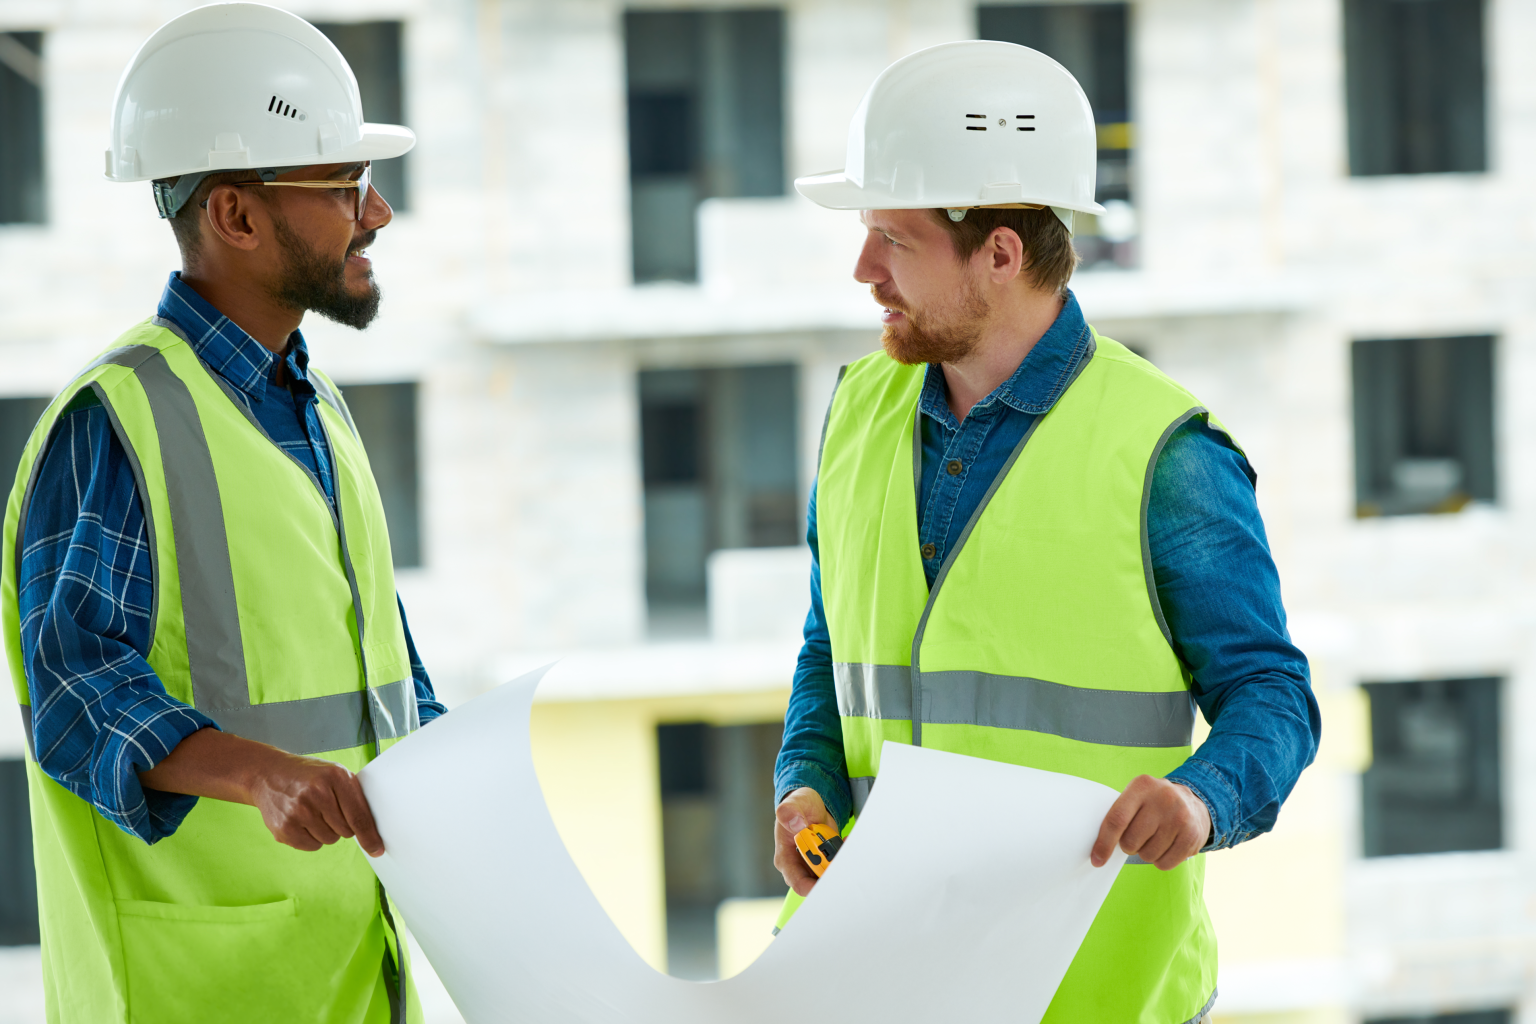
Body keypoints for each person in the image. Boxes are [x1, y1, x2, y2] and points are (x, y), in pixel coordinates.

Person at [770, 41, 1320, 1023]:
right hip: (876, 984)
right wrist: (803, 782)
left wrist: (1199, 801)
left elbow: (1272, 694)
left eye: (892, 240)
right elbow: (829, 645)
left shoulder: (1167, 455)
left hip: (1095, 997)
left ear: (1000, 253)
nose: (863, 270)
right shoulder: (857, 409)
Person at [0, 5, 438, 1021]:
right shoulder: (114, 422)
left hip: (348, 975)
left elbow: (378, 681)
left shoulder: (317, 408)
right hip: (195, 992)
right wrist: (261, 776)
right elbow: (73, 685)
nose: (375, 215)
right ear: (236, 216)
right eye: (343, 188)